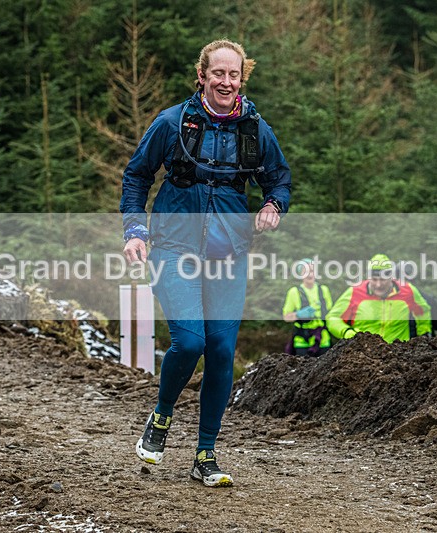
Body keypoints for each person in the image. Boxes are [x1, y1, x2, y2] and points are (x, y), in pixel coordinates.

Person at [120, 39, 291, 488]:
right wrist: (135, 233)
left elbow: (280, 180)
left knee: (220, 351)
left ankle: (206, 455)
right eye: (218, 73)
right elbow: (136, 176)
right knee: (191, 341)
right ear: (202, 75)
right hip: (173, 248)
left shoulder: (254, 129)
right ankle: (161, 417)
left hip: (229, 254)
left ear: (242, 78)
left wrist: (273, 205)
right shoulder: (173, 123)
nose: (226, 82)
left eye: (234, 75)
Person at [326, 254, 431, 343]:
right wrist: (347, 333)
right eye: (374, 279)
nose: (378, 285)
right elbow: (333, 318)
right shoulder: (355, 292)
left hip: (398, 354)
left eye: (383, 279)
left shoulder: (407, 290)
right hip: (362, 353)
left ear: (391, 277)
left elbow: (422, 310)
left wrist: (423, 335)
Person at [282, 258, 333, 356]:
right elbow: (286, 317)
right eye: (305, 272)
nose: (310, 274)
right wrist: (299, 314)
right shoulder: (294, 292)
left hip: (322, 339)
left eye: (312, 271)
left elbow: (331, 313)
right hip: (302, 340)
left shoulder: (324, 290)